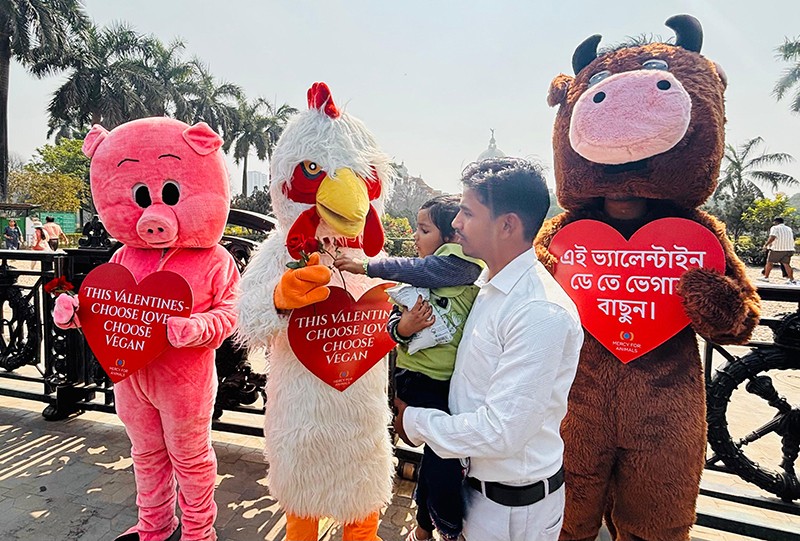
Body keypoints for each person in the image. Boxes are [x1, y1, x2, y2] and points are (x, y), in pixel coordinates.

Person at [393, 157, 584, 541]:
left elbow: (501, 432)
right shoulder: (489, 287)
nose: (456, 223)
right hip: (477, 491)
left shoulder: (538, 311)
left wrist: (413, 420)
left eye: (467, 212)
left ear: (507, 225)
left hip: (511, 510)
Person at [335, 195, 484, 541]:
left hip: (448, 384)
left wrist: (369, 266)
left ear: (452, 237)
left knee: (437, 457)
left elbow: (427, 270)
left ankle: (425, 525)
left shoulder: (462, 267)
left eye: (424, 229)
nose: (415, 236)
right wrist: (405, 327)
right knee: (443, 457)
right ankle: (447, 525)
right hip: (419, 381)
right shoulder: (413, 283)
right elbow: (391, 328)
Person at [761, 216, 796, 284]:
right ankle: (791, 279)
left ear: (776, 222)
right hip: (789, 249)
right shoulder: (788, 228)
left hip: (778, 249)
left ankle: (766, 277)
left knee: (769, 262)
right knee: (786, 264)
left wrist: (766, 245)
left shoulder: (775, 228)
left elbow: (772, 237)